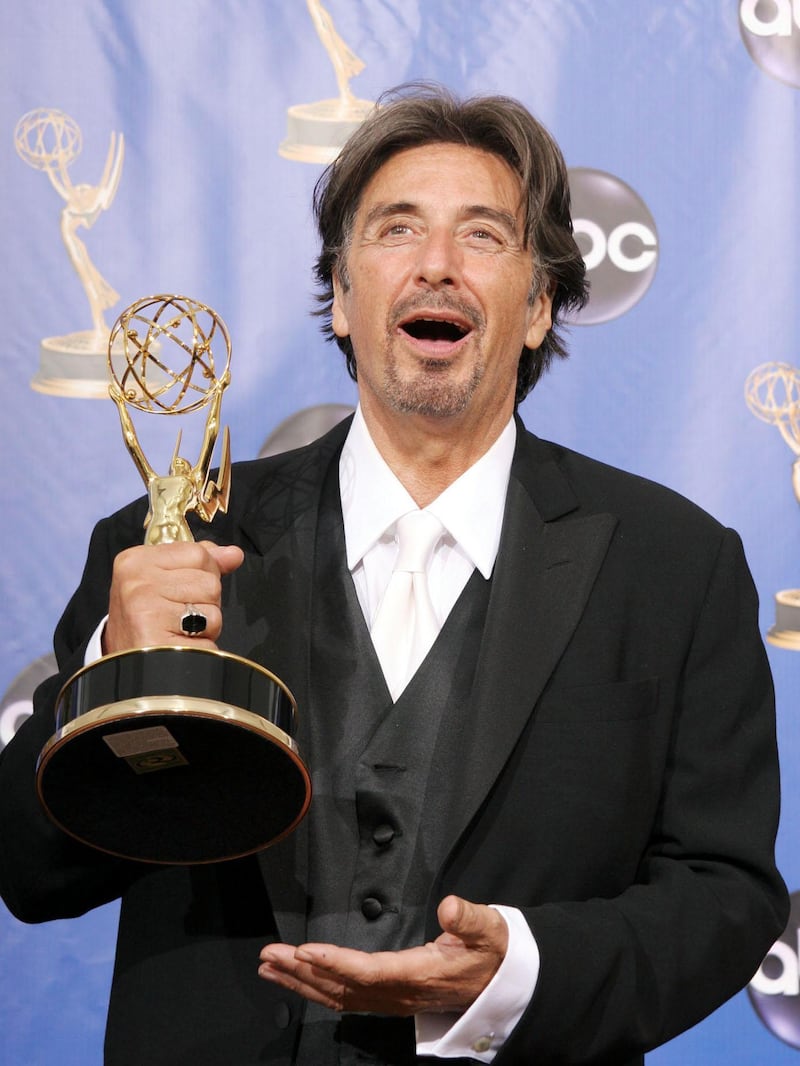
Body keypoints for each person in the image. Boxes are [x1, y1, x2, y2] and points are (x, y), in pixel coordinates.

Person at [0, 84, 788, 1066]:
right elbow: (32, 869)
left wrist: (516, 973)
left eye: (482, 236)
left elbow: (723, 892)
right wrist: (119, 671)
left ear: (539, 306)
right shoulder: (167, 542)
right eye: (394, 230)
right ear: (339, 294)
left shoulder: (674, 567)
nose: (435, 266)